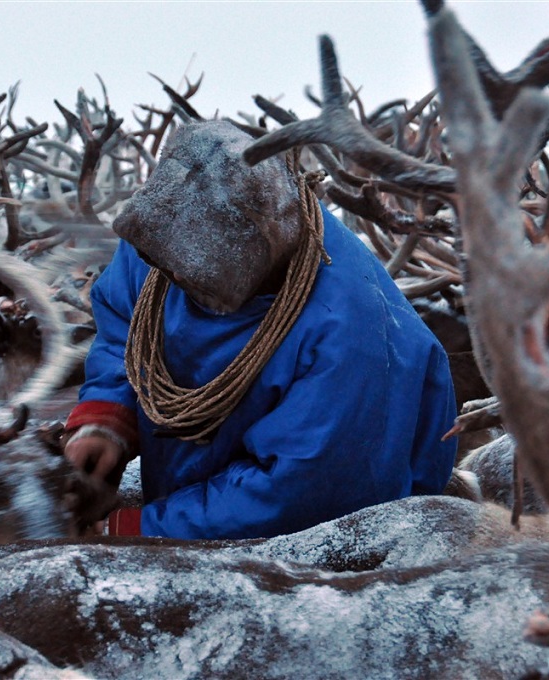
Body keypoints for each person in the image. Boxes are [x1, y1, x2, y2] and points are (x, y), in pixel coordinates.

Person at [64, 120, 457, 540]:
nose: (171, 277)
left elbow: (299, 491)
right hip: (215, 493)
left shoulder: (353, 339)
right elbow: (126, 316)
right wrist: (109, 416)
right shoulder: (168, 226)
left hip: (337, 530)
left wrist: (142, 529)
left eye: (193, 278)